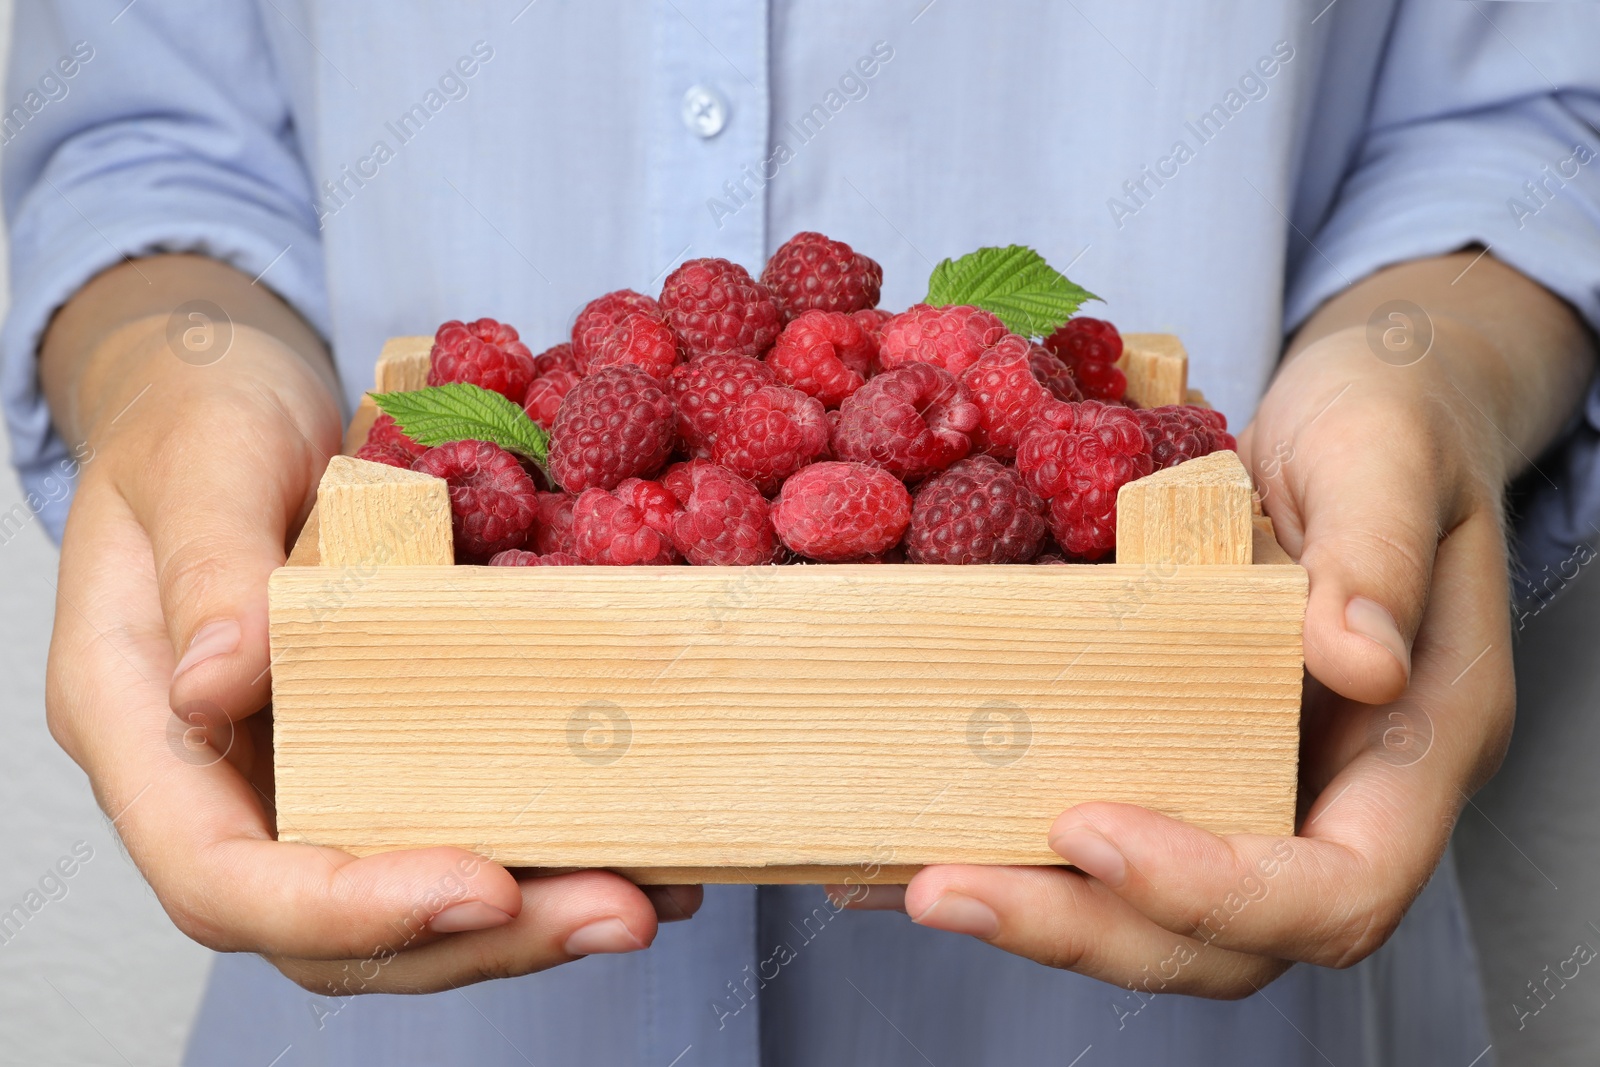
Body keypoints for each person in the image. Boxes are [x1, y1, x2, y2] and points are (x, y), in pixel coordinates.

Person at [6, 1, 1599, 1064]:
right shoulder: (592, 433)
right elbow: (136, 132)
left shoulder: (958, 419)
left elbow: (1535, 113)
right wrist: (170, 378)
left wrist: (1431, 382)